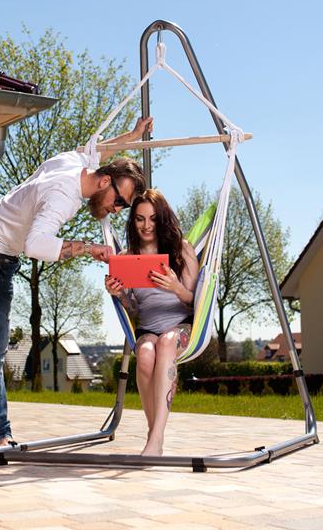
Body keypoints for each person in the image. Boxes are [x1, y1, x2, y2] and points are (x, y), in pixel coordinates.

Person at [0, 117, 152, 448]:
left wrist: (133, 137)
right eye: (119, 202)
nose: (117, 210)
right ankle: (0, 436)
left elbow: (100, 150)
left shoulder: (76, 163)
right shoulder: (63, 198)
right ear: (105, 182)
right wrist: (88, 248)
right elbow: (35, 245)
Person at [104, 188, 200, 456]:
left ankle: (155, 437)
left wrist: (174, 287)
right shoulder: (127, 257)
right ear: (132, 221)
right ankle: (154, 435)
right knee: (145, 354)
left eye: (153, 218)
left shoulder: (182, 250)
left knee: (167, 343)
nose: (147, 225)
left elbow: (194, 303)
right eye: (139, 219)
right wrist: (120, 293)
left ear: (163, 219)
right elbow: (134, 309)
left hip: (180, 325)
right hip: (147, 328)